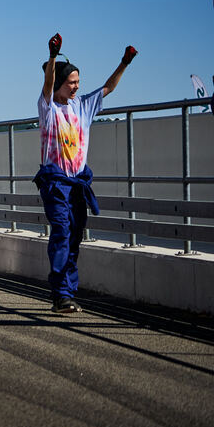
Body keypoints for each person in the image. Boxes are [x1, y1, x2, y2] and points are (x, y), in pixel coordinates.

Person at [35, 33, 137, 314]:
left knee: (75, 236)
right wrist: (53, 56)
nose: (77, 87)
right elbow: (47, 85)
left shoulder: (83, 105)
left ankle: (67, 290)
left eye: (78, 82)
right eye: (71, 83)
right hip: (55, 182)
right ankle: (60, 294)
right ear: (59, 83)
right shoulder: (48, 108)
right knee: (61, 233)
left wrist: (124, 63)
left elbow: (108, 88)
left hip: (78, 183)